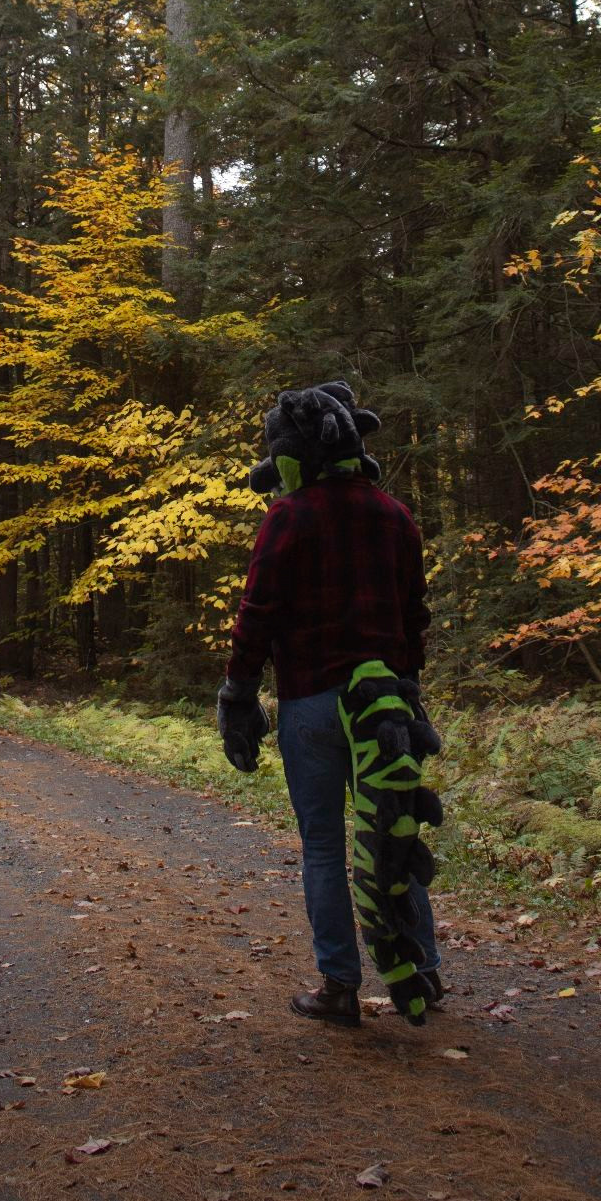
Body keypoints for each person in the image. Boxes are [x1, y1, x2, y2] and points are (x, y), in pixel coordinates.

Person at [216, 381, 442, 1029]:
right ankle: (422, 966)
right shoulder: (396, 517)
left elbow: (255, 615)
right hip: (385, 705)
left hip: (310, 702)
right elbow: (414, 617)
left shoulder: (287, 517)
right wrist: (409, 690)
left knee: (322, 844)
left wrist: (237, 690)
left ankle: (338, 988)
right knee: (392, 832)